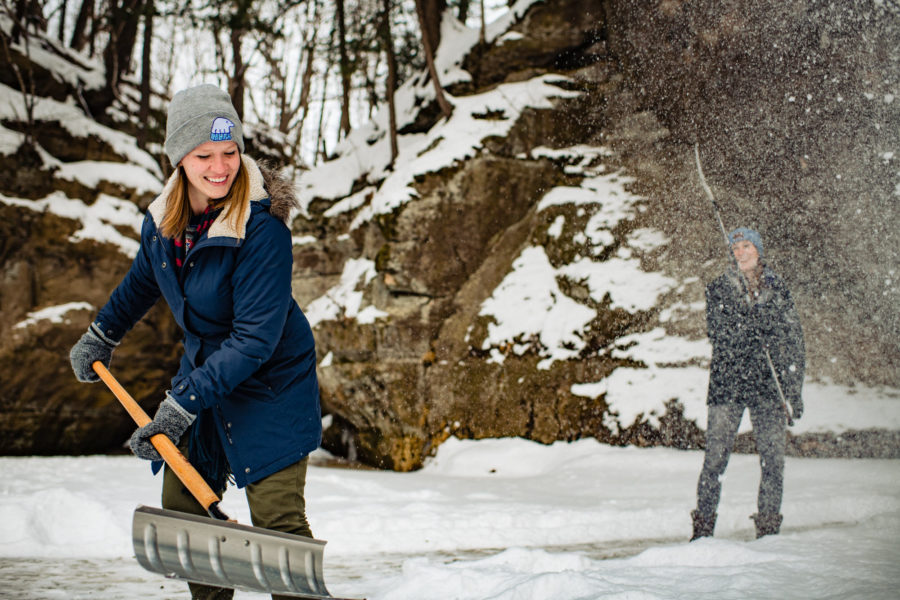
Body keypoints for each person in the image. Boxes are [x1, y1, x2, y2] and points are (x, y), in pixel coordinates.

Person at [68, 84, 321, 600]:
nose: (220, 167)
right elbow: (143, 280)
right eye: (204, 154)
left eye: (230, 152)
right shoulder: (164, 220)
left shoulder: (263, 228)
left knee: (278, 528)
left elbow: (254, 340)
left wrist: (180, 403)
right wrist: (102, 334)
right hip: (205, 375)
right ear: (179, 158)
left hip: (271, 383)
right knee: (188, 521)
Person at [691, 227, 805, 541]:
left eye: (746, 246)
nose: (741, 252)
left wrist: (794, 389)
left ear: (758, 249)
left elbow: (793, 339)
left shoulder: (777, 287)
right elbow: (718, 334)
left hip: (768, 386)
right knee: (715, 459)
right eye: (736, 247)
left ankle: (768, 531)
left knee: (773, 461)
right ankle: (702, 531)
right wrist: (747, 326)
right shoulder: (719, 288)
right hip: (728, 383)